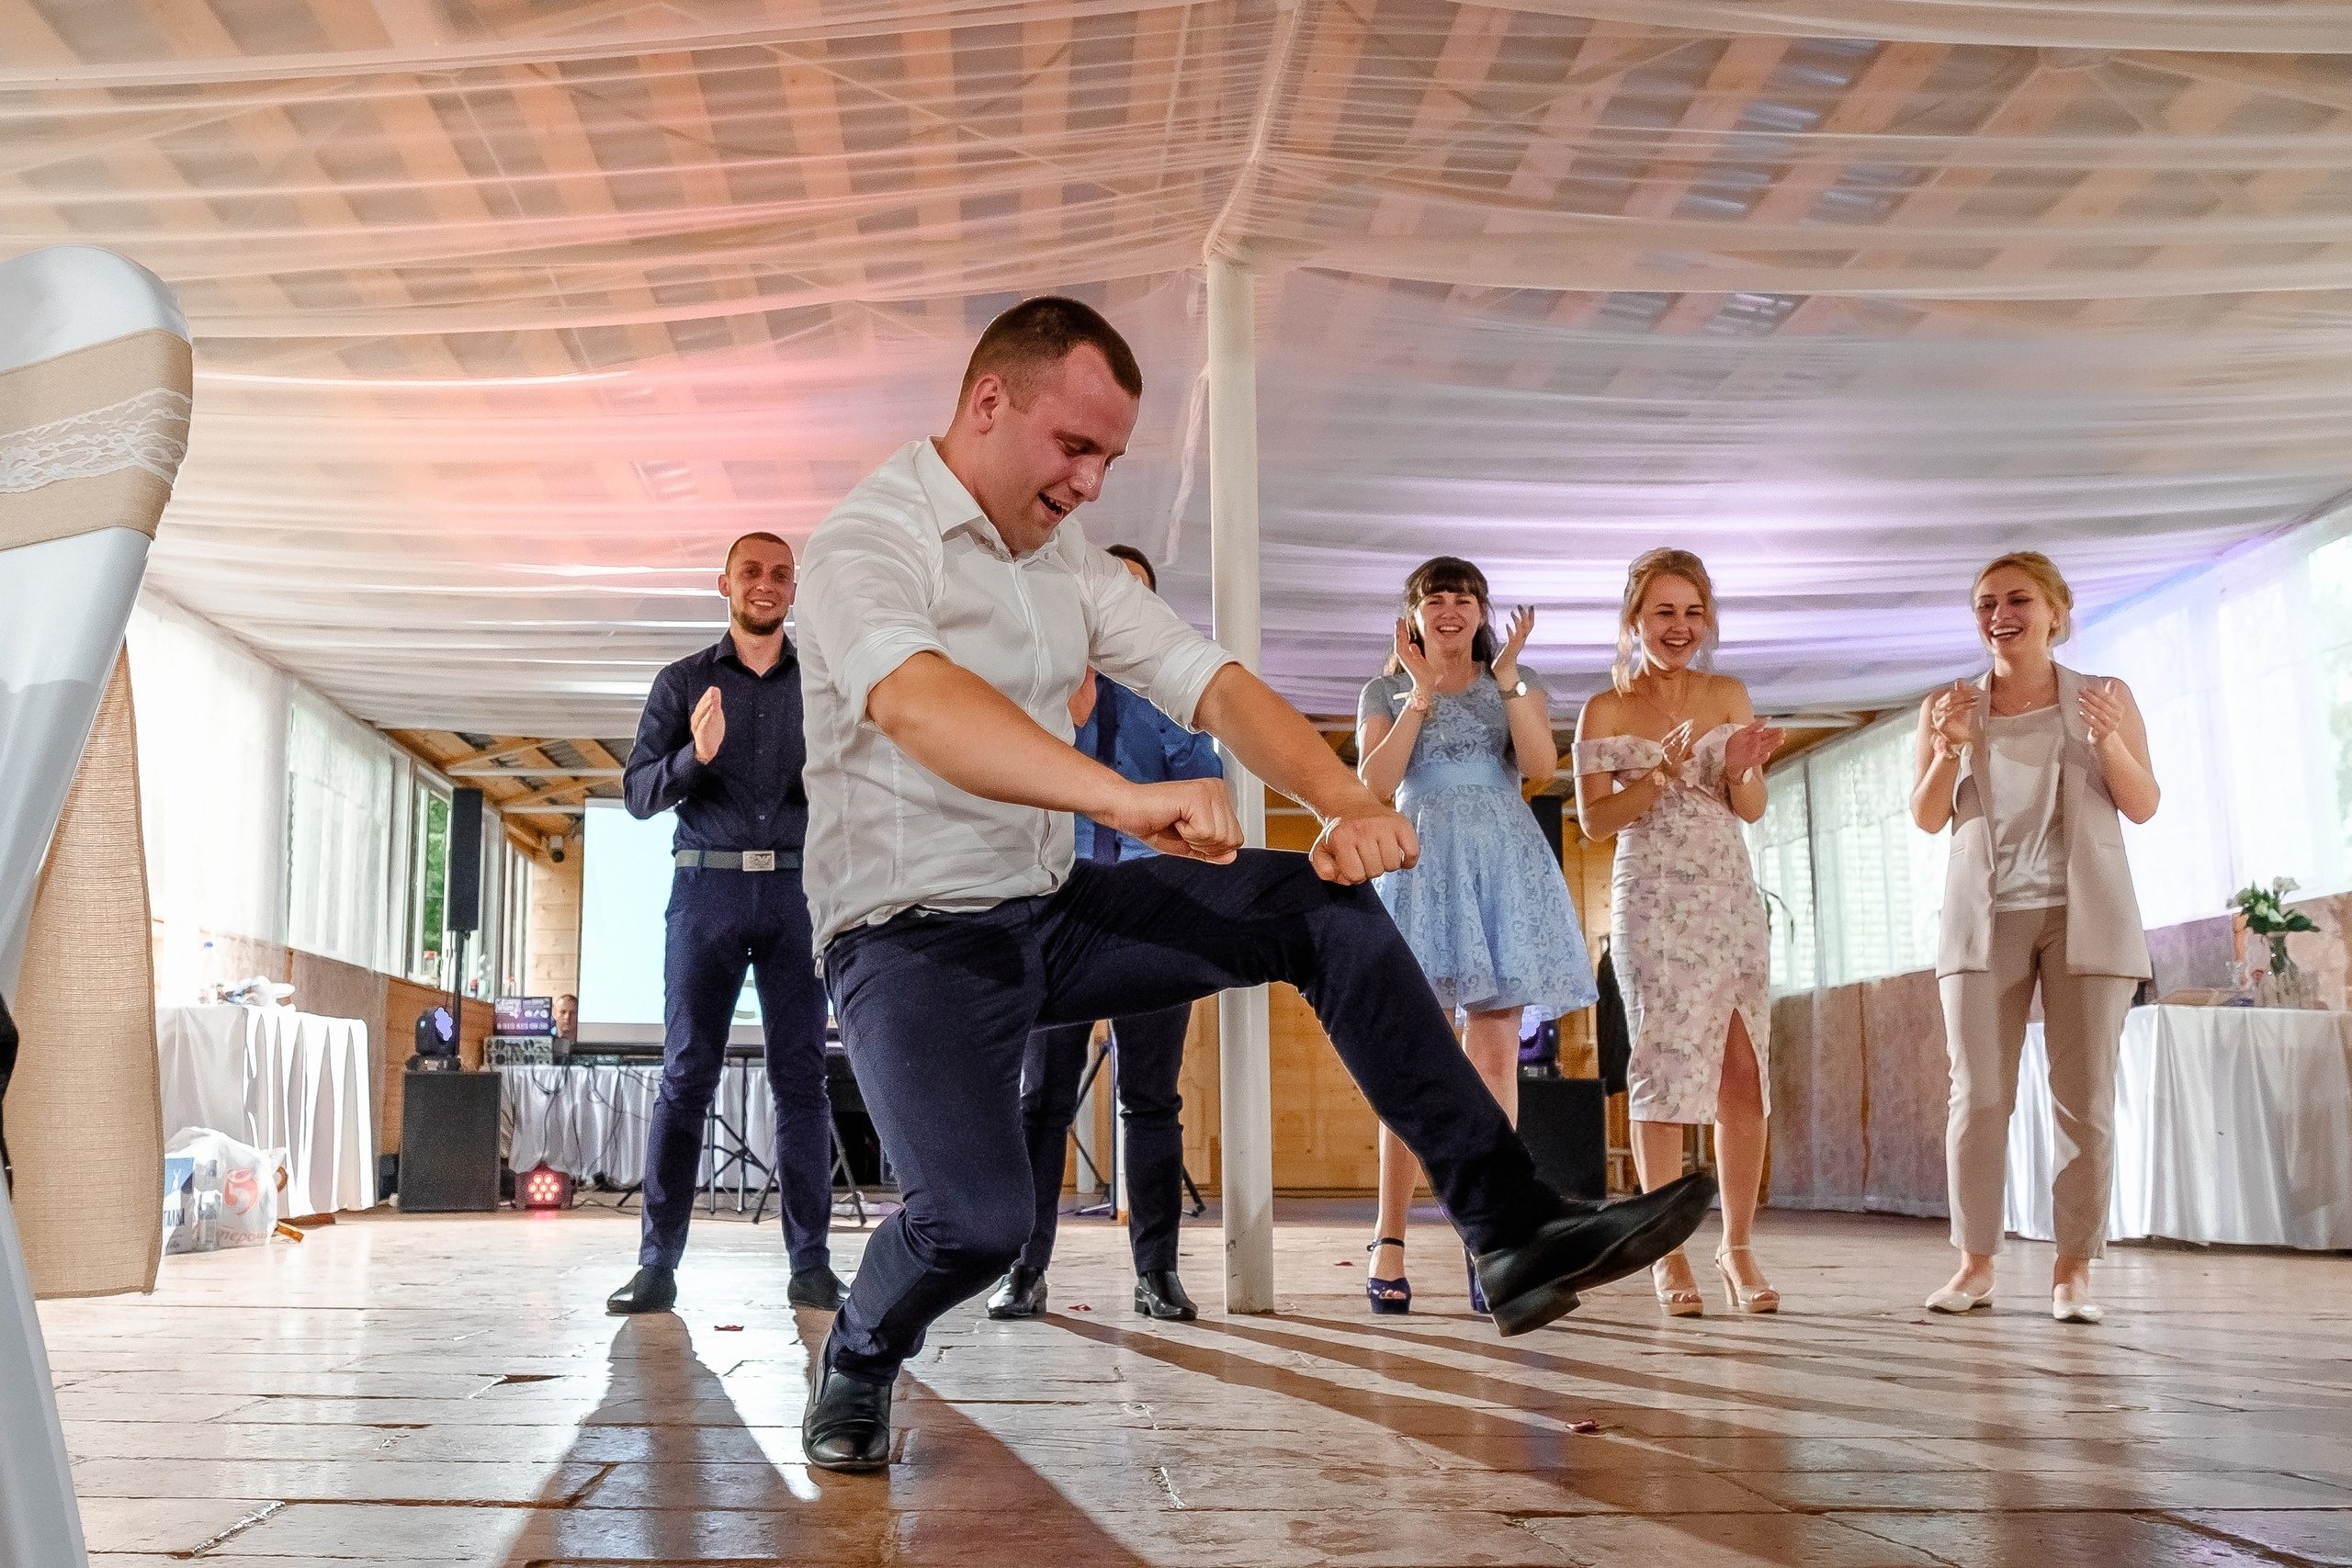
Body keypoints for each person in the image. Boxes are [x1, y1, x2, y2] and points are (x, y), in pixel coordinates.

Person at [789, 294, 1715, 1473]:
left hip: (1048, 912)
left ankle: (1510, 1225)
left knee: (1316, 907)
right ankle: (862, 1351)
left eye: (1108, 459)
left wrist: (1352, 805)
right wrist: (1120, 799)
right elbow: (917, 702)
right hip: (905, 939)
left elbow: (1208, 680)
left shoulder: (1060, 558)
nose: (1087, 482)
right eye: (1073, 447)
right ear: (987, 402)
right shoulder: (867, 541)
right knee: (973, 1224)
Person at [1910, 551, 2157, 1325]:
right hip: (1984, 917)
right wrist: (1948, 746)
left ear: (2056, 611)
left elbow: (2143, 803)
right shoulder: (1947, 705)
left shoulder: (2105, 696)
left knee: (2083, 1100)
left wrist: (2110, 740)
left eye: (2018, 599)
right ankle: (1975, 1263)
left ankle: (2073, 1270)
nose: (1999, 614)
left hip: (2088, 912)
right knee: (1978, 1095)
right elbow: (1923, 815)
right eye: (1985, 603)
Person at [606, 533, 843, 1317]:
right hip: (704, 895)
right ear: (725, 584)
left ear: (794, 589)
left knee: (801, 1079)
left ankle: (811, 1262)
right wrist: (694, 757)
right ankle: (656, 1265)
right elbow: (639, 792)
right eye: (752, 572)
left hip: (796, 895)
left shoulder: (825, 686)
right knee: (686, 1077)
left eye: (780, 574)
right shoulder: (683, 683)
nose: (767, 584)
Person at [987, 544, 1223, 1325]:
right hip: (1055, 904)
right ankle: (1024, 1270)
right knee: (1040, 1099)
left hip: (1152, 909)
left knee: (1151, 1098)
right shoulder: (1036, 687)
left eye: (1137, 595)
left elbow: (1207, 786)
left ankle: (1158, 1271)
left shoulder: (1173, 702)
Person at [1355, 557, 1597, 1315]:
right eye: (1436, 598)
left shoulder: (1509, 682)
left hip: (1500, 867)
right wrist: (1420, 699)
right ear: (1413, 614)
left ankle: (1491, 1240)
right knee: (1409, 1063)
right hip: (1420, 864)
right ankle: (1388, 1236)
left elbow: (1537, 765)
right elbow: (1372, 781)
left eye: (1464, 597)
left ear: (1482, 610)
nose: (1450, 608)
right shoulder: (1386, 688)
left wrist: (1514, 674)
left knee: (1494, 1057)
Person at [1572, 549, 1783, 1318]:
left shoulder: (1726, 691)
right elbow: (1594, 821)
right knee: (1661, 1063)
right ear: (1636, 619)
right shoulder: (1606, 709)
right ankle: (1665, 1247)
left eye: (1693, 613)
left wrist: (1748, 766)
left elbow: (1749, 807)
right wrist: (1658, 774)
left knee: (1743, 1066)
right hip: (1652, 896)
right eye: (1664, 612)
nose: (1680, 628)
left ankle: (1738, 1246)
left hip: (1728, 891)